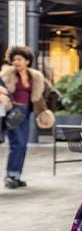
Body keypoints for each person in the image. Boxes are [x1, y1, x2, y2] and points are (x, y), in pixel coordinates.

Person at [0, 46, 53, 188]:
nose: (16, 62)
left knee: (23, 145)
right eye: (14, 59)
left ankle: (16, 176)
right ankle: (10, 176)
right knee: (17, 144)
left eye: (19, 59)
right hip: (12, 112)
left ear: (27, 61)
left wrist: (43, 112)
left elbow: (37, 96)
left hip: (26, 112)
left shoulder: (34, 76)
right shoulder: (7, 74)